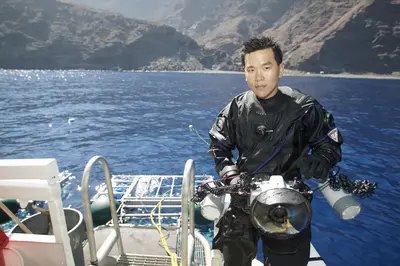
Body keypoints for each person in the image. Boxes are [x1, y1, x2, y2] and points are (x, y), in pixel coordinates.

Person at [208, 36, 343, 266]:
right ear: (244, 73)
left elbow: (329, 145)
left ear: (280, 69)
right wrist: (230, 173)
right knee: (231, 258)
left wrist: (320, 161)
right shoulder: (236, 107)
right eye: (251, 69)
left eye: (266, 67)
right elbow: (218, 145)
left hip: (288, 201)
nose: (258, 76)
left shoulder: (306, 109)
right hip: (242, 196)